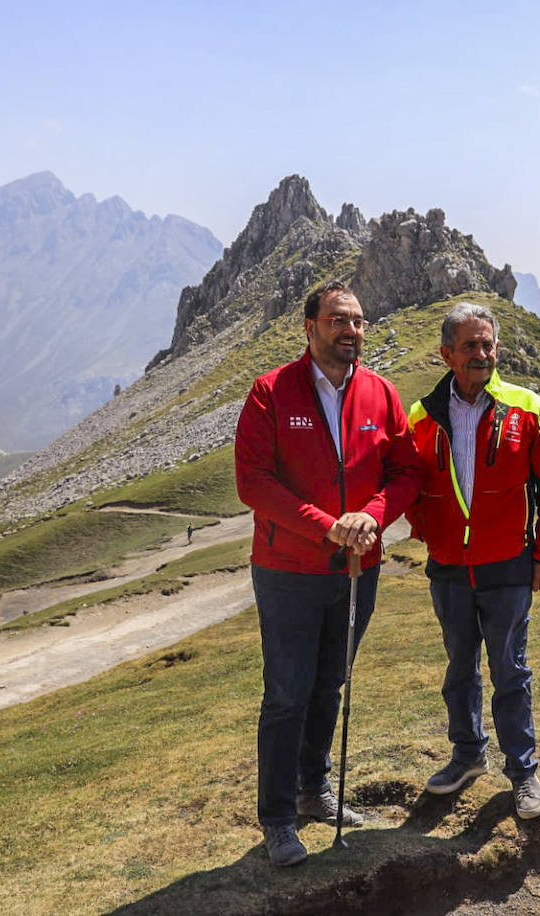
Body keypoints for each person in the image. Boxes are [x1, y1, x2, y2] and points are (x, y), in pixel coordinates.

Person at [235, 279, 422, 866]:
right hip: (288, 570)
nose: (352, 331)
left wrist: (370, 516)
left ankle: (314, 790)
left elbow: (407, 474)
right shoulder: (270, 393)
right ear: (310, 327)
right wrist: (325, 525)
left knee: (330, 683)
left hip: (356, 570)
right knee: (286, 692)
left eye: (359, 321)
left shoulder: (382, 394)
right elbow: (254, 483)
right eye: (339, 320)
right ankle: (278, 819)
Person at [405, 301, 540, 819]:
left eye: (488, 344)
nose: (482, 354)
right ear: (446, 354)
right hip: (449, 568)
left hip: (508, 566)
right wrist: (425, 531)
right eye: (470, 346)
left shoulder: (526, 407)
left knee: (510, 671)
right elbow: (410, 483)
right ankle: (467, 756)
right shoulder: (422, 414)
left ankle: (523, 772)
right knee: (459, 669)